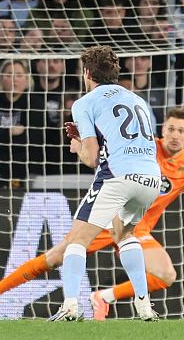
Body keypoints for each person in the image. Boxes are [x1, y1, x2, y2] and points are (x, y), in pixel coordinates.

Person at [0, 107, 184, 318]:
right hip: (103, 221)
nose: (175, 135)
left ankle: (103, 297)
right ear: (162, 130)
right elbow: (106, 153)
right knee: (54, 258)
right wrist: (82, 142)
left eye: (181, 131)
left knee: (165, 275)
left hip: (136, 231)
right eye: (171, 128)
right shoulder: (145, 148)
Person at [59, 46, 162, 321]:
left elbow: (92, 159)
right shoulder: (138, 100)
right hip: (151, 178)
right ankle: (143, 305)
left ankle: (69, 305)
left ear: (88, 73)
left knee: (77, 239)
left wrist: (78, 145)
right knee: (124, 235)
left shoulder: (84, 103)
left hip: (118, 176)